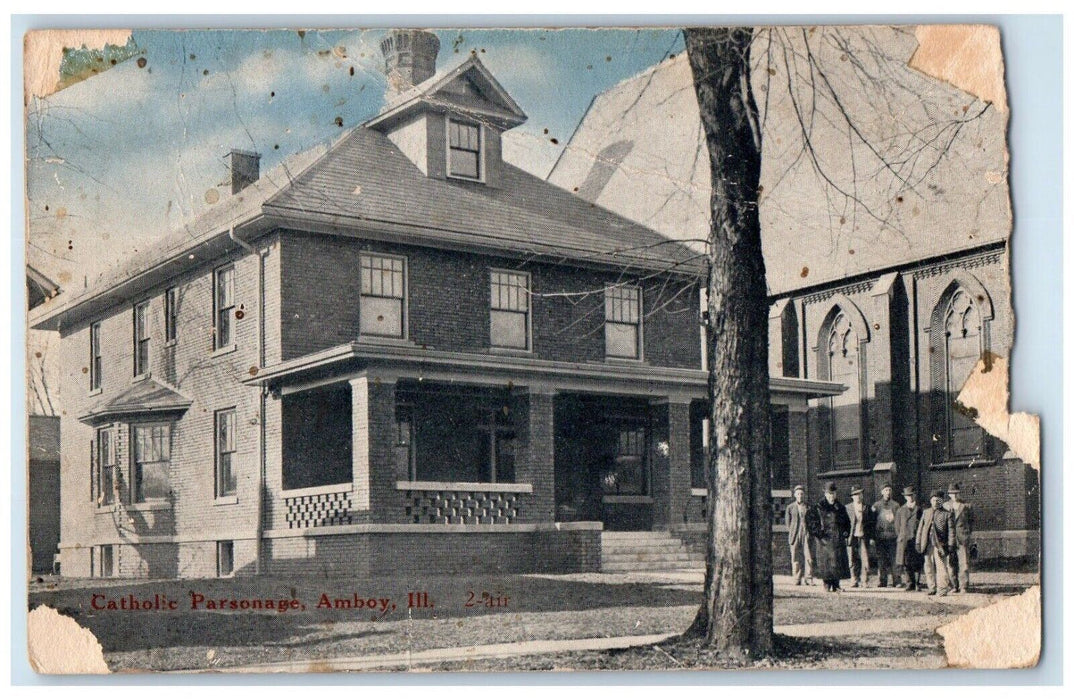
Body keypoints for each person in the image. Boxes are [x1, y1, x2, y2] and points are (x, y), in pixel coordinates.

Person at [806, 481, 851, 592]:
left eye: (833, 493)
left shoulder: (840, 507)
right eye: (829, 494)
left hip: (837, 540)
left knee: (837, 562)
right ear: (825, 494)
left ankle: (836, 585)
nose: (832, 496)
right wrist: (818, 533)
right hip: (824, 541)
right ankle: (826, 584)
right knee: (826, 563)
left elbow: (847, 522)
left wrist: (846, 531)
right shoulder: (818, 507)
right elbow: (810, 522)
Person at [915, 489, 956, 596]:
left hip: (940, 545)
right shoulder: (926, 512)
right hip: (927, 544)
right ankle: (931, 587)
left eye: (938, 500)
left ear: (942, 501)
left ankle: (942, 589)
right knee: (928, 566)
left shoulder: (947, 514)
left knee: (941, 567)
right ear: (930, 501)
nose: (936, 502)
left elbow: (951, 531)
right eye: (934, 500)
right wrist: (918, 542)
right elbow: (920, 528)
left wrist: (951, 545)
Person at [945, 483, 974, 593]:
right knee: (951, 563)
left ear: (959, 493)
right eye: (952, 494)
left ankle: (964, 586)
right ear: (949, 495)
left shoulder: (966, 506)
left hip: (962, 538)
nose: (955, 496)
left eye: (956, 493)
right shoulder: (946, 506)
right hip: (950, 539)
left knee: (964, 563)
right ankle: (953, 586)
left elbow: (971, 522)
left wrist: (966, 534)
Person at [895, 486, 925, 591]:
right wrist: (902, 536)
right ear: (905, 497)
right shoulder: (900, 510)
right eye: (908, 496)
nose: (910, 498)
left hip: (916, 539)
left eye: (911, 495)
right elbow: (897, 526)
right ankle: (909, 583)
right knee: (906, 562)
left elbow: (923, 524)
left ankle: (917, 583)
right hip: (905, 540)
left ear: (914, 496)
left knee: (917, 562)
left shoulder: (920, 509)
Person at [871, 483, 900, 587]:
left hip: (893, 537)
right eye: (886, 490)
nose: (888, 492)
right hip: (880, 537)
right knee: (881, 560)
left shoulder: (896, 505)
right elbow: (872, 522)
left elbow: (898, 521)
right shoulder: (876, 505)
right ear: (882, 492)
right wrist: (873, 537)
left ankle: (896, 581)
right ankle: (882, 581)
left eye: (889, 490)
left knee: (894, 559)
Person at [845, 486, 874, 587]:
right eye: (855, 495)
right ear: (852, 497)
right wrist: (846, 536)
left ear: (862, 495)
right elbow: (844, 523)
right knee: (852, 558)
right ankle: (854, 579)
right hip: (852, 537)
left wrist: (871, 538)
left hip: (863, 536)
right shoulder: (847, 508)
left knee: (864, 558)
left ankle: (864, 580)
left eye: (859, 494)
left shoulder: (867, 508)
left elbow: (871, 524)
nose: (857, 496)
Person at [784, 484, 813, 585]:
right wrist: (792, 532)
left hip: (806, 533)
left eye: (801, 494)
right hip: (795, 534)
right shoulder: (790, 507)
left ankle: (808, 578)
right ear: (795, 495)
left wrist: (810, 532)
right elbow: (788, 522)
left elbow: (812, 520)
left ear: (804, 495)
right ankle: (797, 578)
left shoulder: (808, 507)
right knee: (795, 556)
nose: (800, 496)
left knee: (808, 556)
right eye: (798, 494)